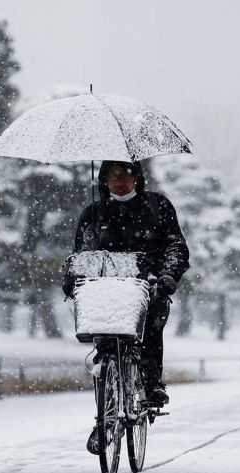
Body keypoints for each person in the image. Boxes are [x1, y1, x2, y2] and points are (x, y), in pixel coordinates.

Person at [63, 160, 190, 454]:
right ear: (104, 181)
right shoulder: (93, 214)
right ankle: (105, 419)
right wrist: (72, 278)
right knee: (105, 346)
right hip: (106, 291)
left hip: (148, 286)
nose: (120, 181)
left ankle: (152, 383)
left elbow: (176, 247)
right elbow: (83, 253)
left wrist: (168, 276)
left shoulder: (158, 207)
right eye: (113, 176)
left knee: (149, 329)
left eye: (126, 175)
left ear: (137, 179)